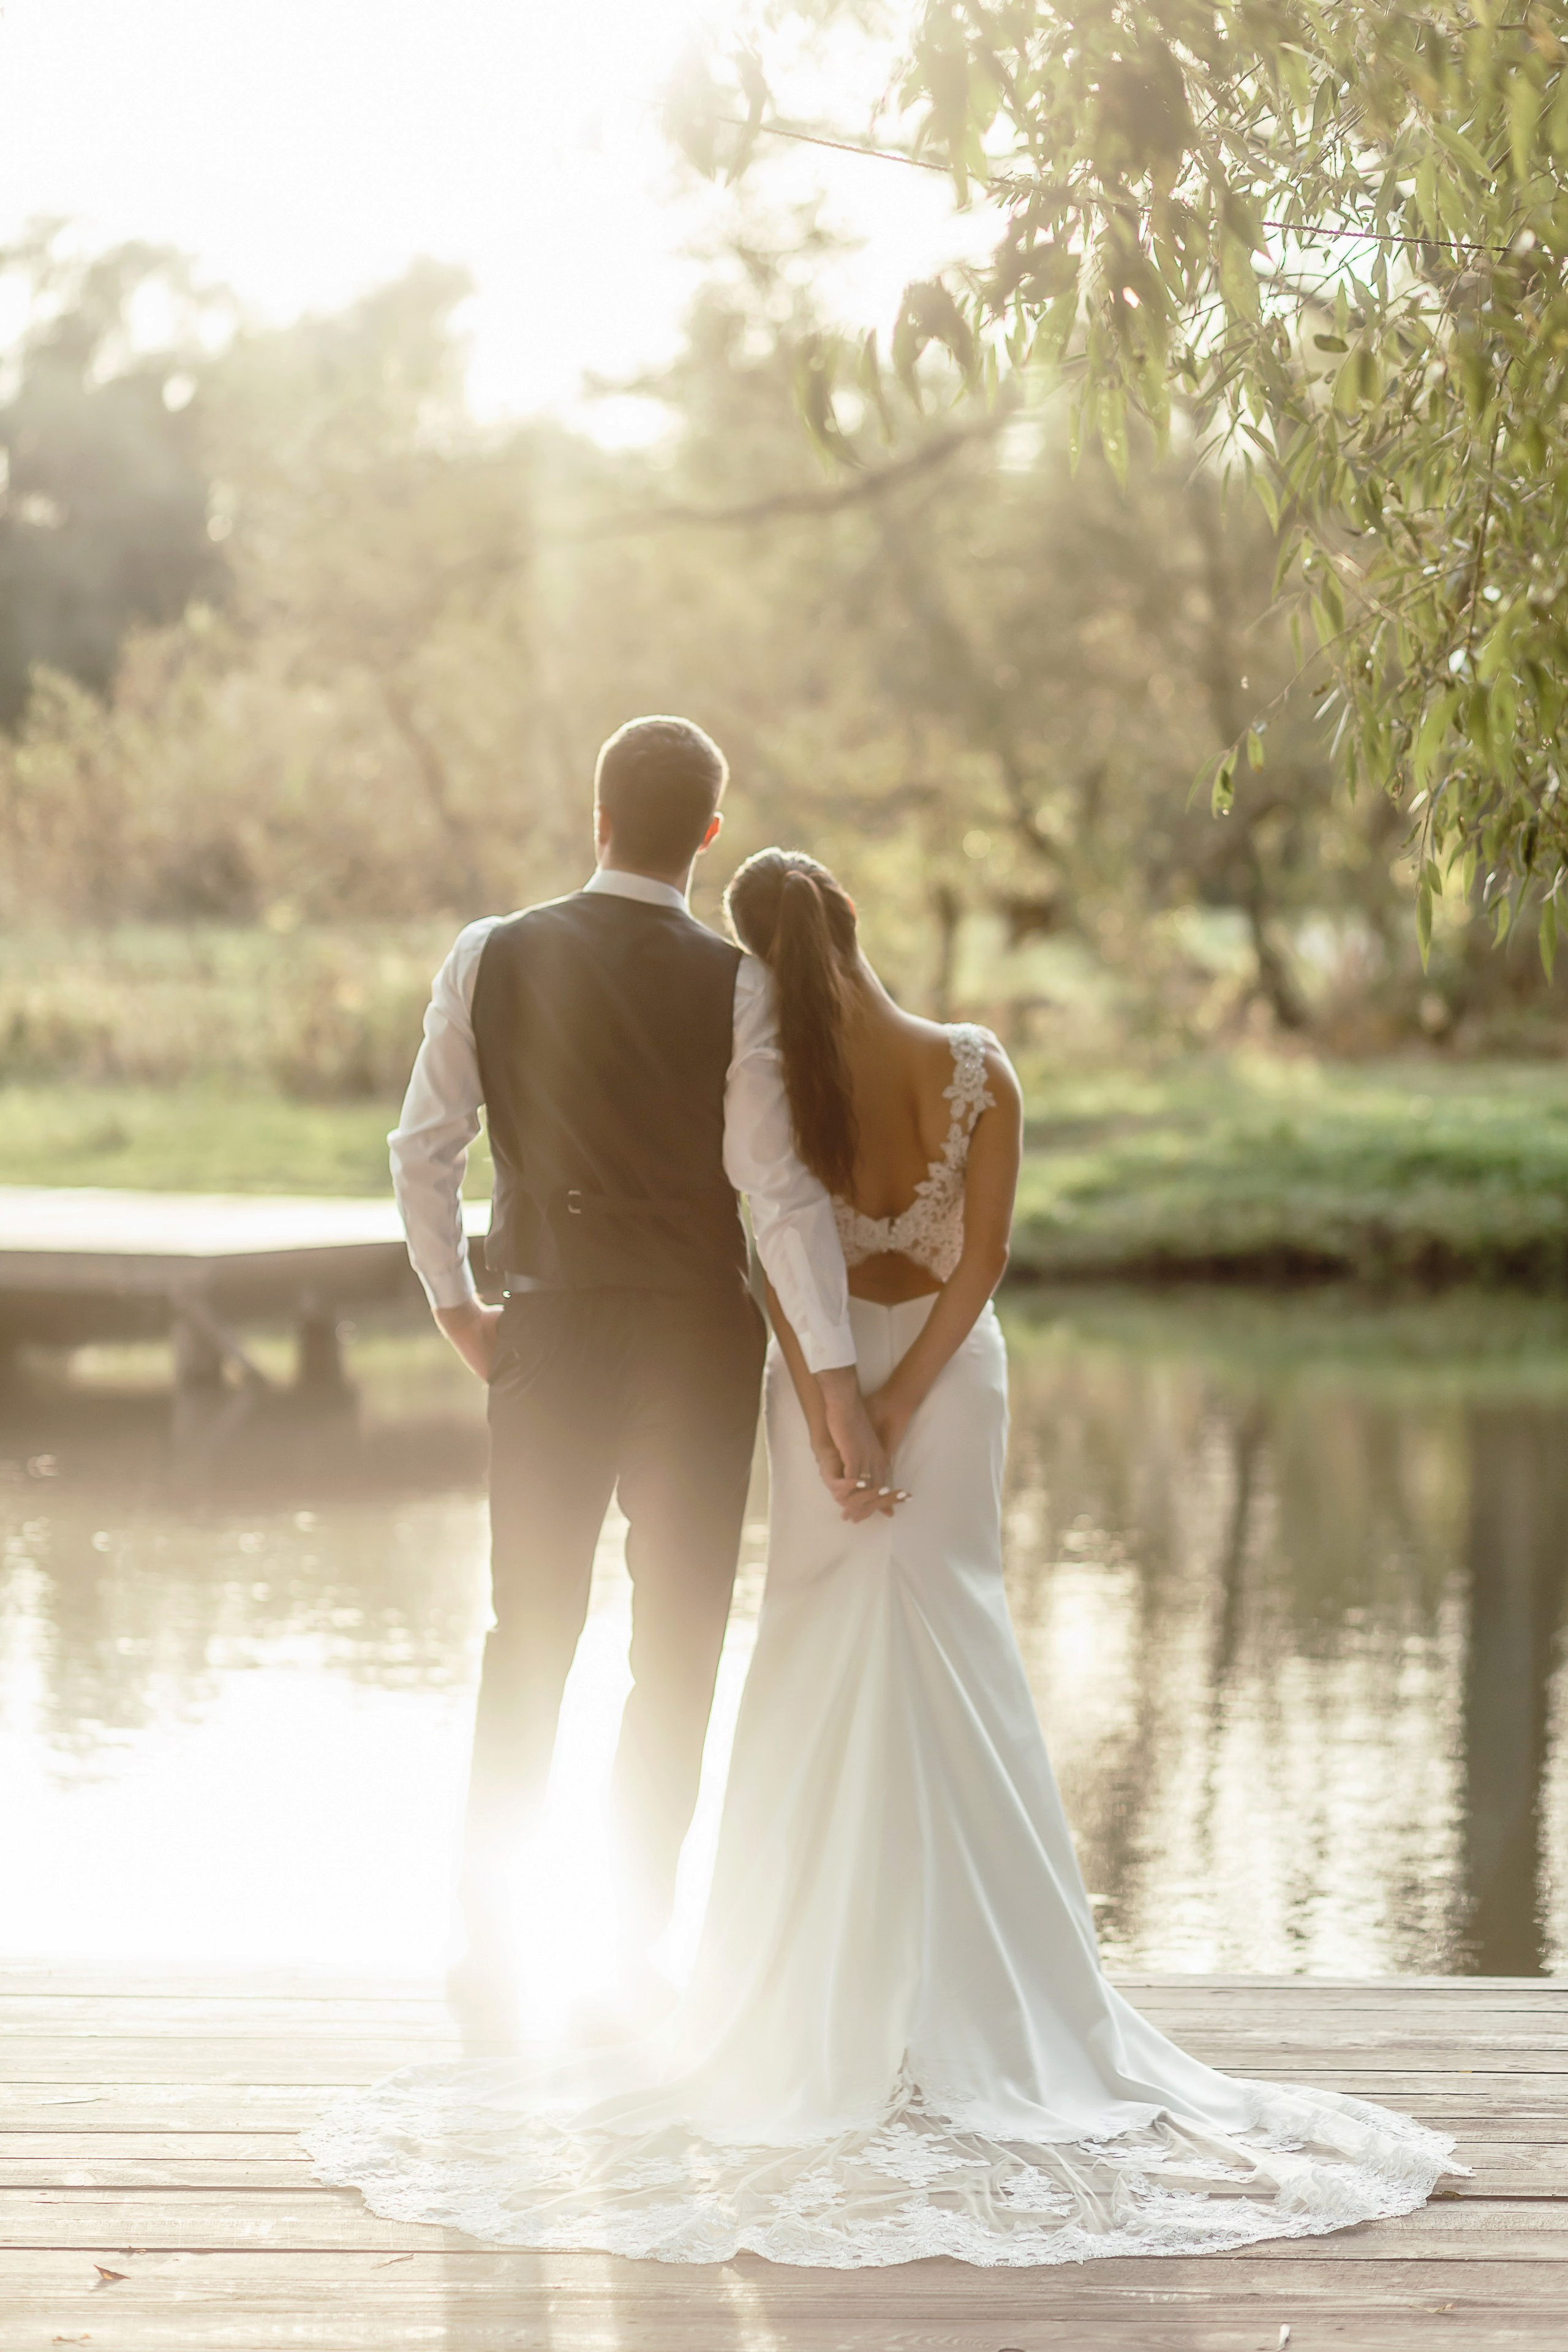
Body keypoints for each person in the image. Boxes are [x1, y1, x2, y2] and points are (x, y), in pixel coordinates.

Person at [309, 846, 1458, 2266]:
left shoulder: (778, 1078)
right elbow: (979, 1261)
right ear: (850, 923)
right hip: (946, 1386)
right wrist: (902, 1399)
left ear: (756, 955)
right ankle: (996, 1985)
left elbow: (774, 1234)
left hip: (813, 1378)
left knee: (797, 1643)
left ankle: (782, 1983)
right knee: (954, 1635)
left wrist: (827, 1399)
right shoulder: (975, 1067)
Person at [388, 723, 891, 2040]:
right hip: (694, 1346)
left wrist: (457, 1309)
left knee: (526, 1641)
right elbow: (777, 1194)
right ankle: (622, 1959)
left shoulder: (487, 953)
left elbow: (423, 1149)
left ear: (597, 813)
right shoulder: (737, 985)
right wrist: (836, 1384)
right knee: (672, 1654)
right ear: (708, 835)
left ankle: (492, 1953)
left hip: (545, 1335)